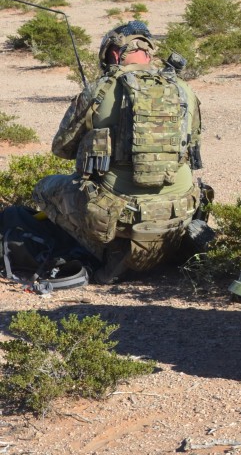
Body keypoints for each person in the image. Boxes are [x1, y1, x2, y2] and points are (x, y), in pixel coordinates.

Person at [32, 20, 205, 283]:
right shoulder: (185, 89)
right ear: (148, 51)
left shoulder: (99, 89)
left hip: (120, 214)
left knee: (44, 189)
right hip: (179, 209)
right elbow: (192, 147)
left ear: (114, 52)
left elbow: (62, 148)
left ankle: (107, 250)